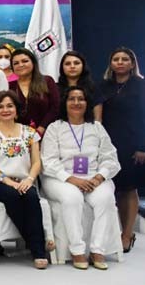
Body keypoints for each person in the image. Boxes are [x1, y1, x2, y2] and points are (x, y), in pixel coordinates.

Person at [41, 87, 121, 270]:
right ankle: (77, 250)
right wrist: (72, 179)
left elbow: (110, 158)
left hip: (94, 178)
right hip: (59, 178)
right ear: (65, 103)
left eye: (81, 99)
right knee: (72, 197)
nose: (76, 103)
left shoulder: (97, 128)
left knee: (106, 198)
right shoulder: (55, 128)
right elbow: (49, 161)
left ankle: (97, 249)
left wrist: (99, 177)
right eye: (72, 99)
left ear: (87, 103)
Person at [0, 91, 49, 269]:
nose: (5, 109)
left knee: (31, 196)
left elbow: (36, 162)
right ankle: (38, 247)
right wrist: (8, 181)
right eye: (0, 106)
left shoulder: (30, 133)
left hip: (25, 181)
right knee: (13, 195)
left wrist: (30, 179)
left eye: (10, 105)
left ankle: (38, 250)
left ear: (17, 109)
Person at [100, 47, 145, 253]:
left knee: (129, 189)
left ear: (132, 63)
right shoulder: (105, 86)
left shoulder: (140, 85)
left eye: (124, 59)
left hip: (133, 144)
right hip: (110, 144)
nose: (120, 62)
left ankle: (127, 234)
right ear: (111, 63)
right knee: (116, 189)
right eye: (115, 59)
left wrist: (142, 146)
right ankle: (119, 232)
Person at [9, 48, 60, 134]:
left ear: (33, 63)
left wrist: (41, 129)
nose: (20, 65)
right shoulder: (9, 86)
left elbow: (55, 108)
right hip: (19, 136)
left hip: (47, 133)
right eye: (16, 63)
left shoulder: (47, 81)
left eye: (25, 61)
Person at [57, 50, 104, 121]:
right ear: (62, 68)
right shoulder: (54, 89)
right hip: (59, 130)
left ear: (83, 66)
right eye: (68, 64)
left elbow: (98, 119)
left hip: (88, 130)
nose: (72, 66)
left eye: (76, 63)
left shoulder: (93, 88)